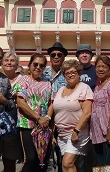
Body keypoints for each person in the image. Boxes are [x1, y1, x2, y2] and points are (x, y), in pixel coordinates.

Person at [48, 59, 93, 172]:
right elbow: (55, 111)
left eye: (73, 72)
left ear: (79, 73)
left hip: (77, 134)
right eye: (67, 73)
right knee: (74, 165)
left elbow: (87, 113)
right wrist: (53, 132)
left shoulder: (84, 88)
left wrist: (76, 131)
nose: (70, 75)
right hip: (62, 135)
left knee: (67, 163)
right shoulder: (61, 90)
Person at [13, 53, 52, 172]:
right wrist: (38, 118)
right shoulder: (23, 81)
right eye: (35, 64)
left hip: (44, 126)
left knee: (43, 161)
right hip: (27, 125)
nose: (38, 67)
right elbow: (21, 103)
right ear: (29, 65)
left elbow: (51, 103)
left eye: (42, 65)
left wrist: (47, 118)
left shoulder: (47, 83)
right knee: (31, 159)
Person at [90, 55, 110, 167]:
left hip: (109, 133)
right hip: (97, 134)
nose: (100, 69)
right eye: (98, 66)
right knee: (100, 167)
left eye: (104, 66)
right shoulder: (98, 86)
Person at [43, 42, 68, 172]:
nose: (56, 57)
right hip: (45, 119)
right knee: (44, 155)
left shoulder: (68, 74)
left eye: (59, 54)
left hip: (62, 118)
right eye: (53, 54)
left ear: (64, 57)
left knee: (63, 156)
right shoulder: (43, 73)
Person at [0, 50, 24, 170]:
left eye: (12, 60)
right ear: (2, 63)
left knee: (10, 160)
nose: (9, 63)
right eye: (6, 60)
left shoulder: (23, 81)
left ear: (17, 64)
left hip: (16, 124)